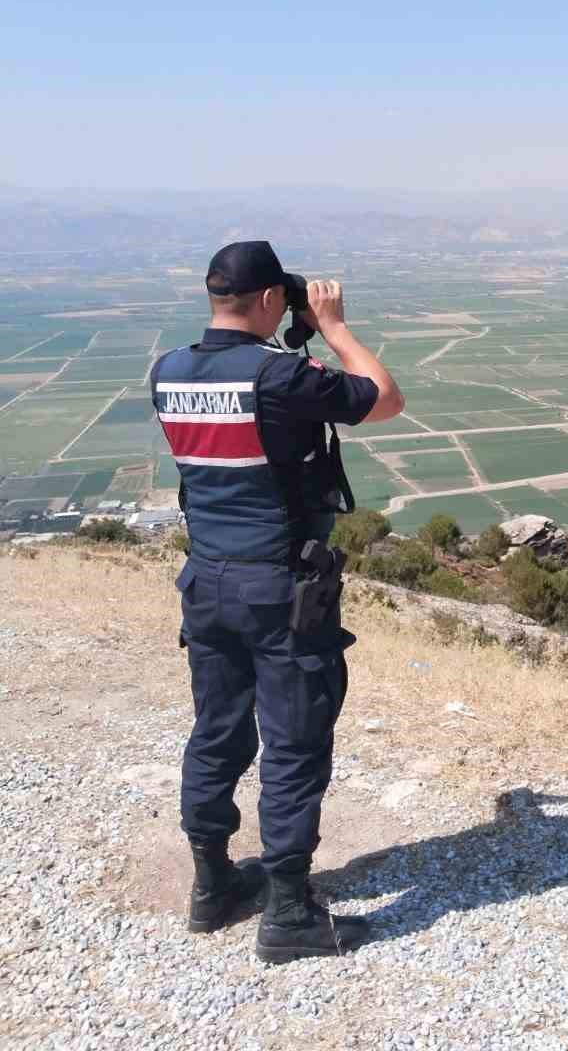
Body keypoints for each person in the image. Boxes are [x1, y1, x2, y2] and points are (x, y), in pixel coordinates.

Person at [151, 240, 404, 962]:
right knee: (293, 742)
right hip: (280, 589)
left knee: (217, 732)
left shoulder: (165, 372)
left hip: (206, 583)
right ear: (270, 301)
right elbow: (384, 398)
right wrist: (332, 326)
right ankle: (289, 914)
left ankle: (213, 885)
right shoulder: (280, 377)